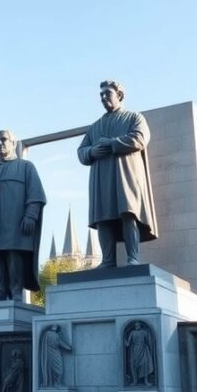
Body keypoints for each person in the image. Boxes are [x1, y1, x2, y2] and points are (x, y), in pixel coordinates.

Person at [77, 81, 158, 268]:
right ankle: (107, 261)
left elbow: (139, 138)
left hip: (126, 175)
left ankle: (133, 258)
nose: (103, 98)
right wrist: (91, 152)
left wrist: (111, 144)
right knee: (103, 217)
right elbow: (81, 151)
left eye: (107, 93)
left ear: (119, 95)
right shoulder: (95, 126)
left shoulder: (134, 118)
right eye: (101, 95)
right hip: (101, 179)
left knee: (128, 213)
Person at [0, 130, 47, 301]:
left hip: (15, 222)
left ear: (13, 143)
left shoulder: (26, 167)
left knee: (14, 254)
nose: (0, 143)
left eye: (4, 139)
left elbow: (36, 194)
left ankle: (16, 291)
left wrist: (31, 216)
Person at [124, 321, 154, 386]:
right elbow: (128, 343)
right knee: (133, 365)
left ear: (140, 326)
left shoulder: (144, 332)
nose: (136, 326)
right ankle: (135, 381)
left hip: (143, 350)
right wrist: (123, 339)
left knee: (145, 364)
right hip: (134, 350)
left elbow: (148, 341)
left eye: (138, 325)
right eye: (135, 325)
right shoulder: (132, 332)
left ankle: (146, 381)